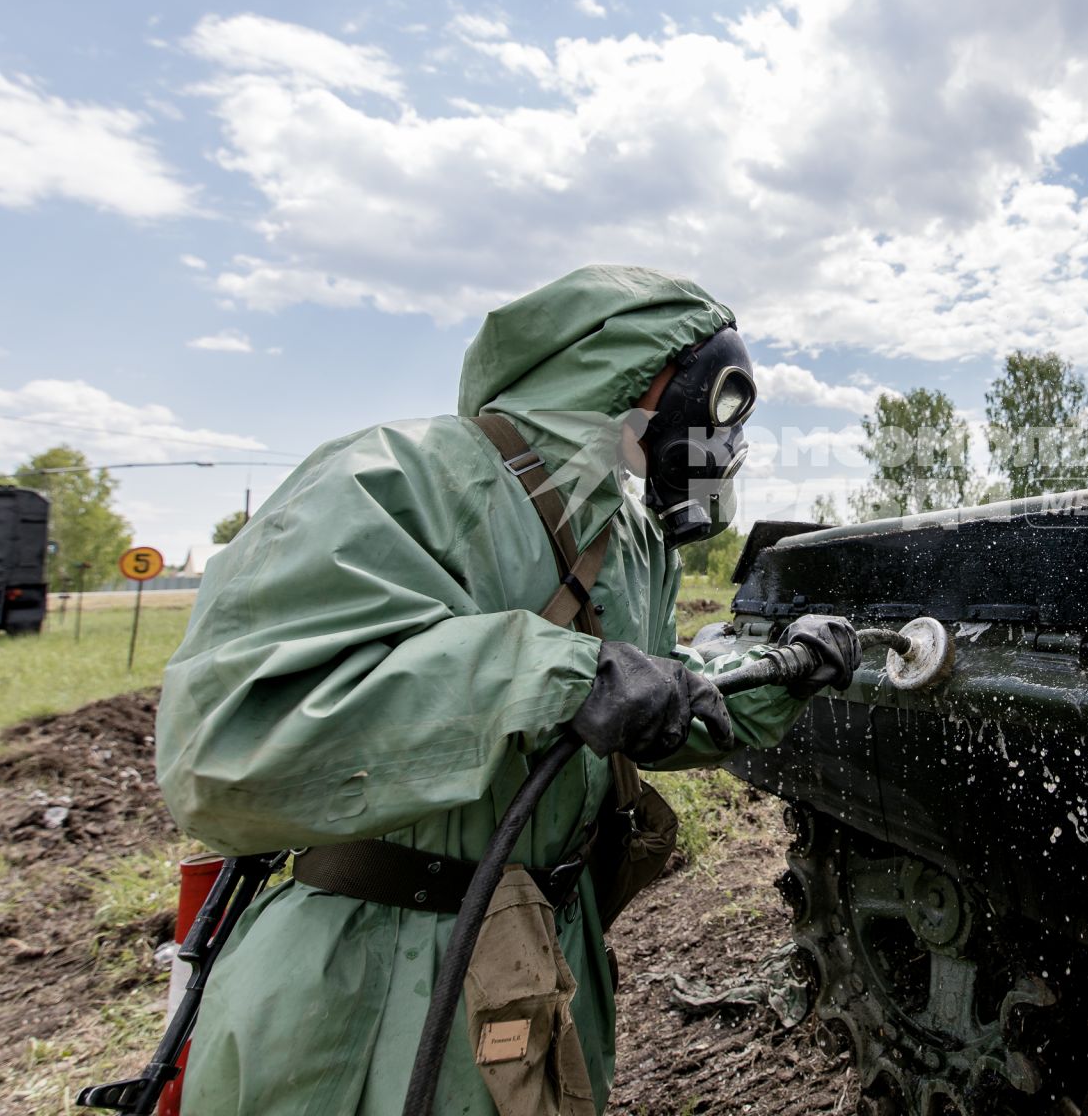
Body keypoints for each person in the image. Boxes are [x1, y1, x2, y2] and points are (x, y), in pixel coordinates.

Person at [155, 265, 860, 1115]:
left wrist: (785, 672)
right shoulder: (402, 478)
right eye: (719, 401)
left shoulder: (632, 543)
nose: (721, 432)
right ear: (639, 374)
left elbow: (655, 702)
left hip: (538, 955)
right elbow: (224, 746)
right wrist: (558, 675)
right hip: (368, 982)